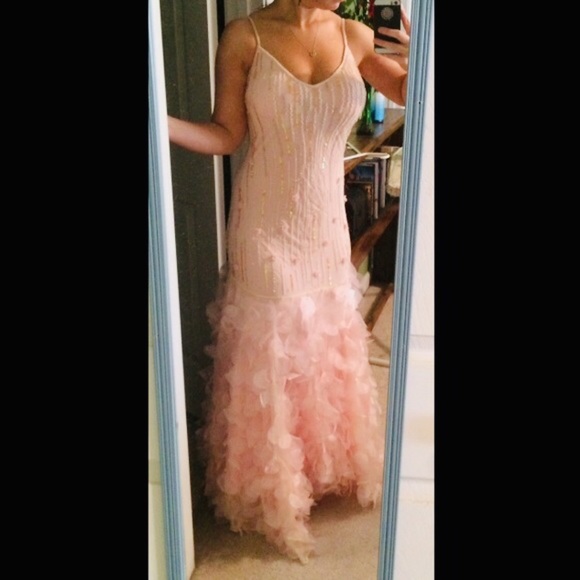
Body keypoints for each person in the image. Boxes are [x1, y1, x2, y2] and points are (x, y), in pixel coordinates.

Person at [168, 0, 411, 564]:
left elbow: (405, 91)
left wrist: (423, 49)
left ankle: (321, 467)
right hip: (264, 226)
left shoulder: (354, 34)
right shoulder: (244, 36)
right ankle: (273, 488)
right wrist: (160, 121)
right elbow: (226, 134)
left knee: (325, 341)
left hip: (325, 226)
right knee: (272, 353)